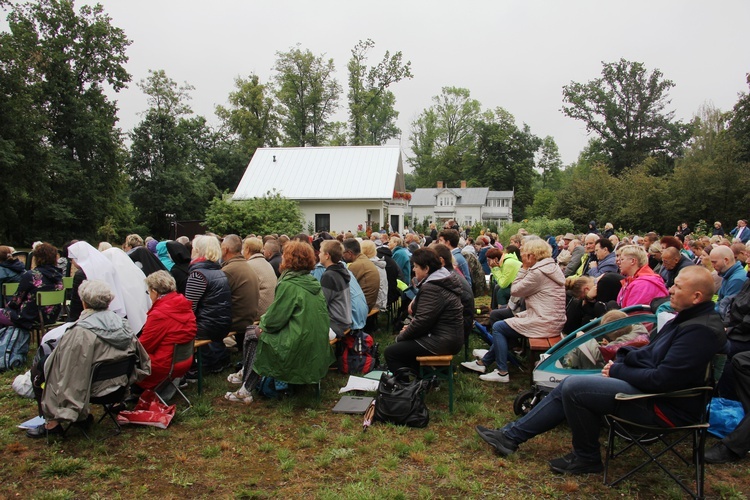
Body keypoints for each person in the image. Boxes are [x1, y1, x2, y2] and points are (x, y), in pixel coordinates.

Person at [475, 266, 727, 474]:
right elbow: (651, 353)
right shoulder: (687, 318)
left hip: (664, 406)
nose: (670, 289)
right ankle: (511, 436)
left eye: (678, 287)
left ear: (696, 296)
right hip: (652, 392)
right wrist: (621, 359)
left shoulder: (699, 331)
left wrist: (618, 371)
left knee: (575, 387)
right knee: (571, 385)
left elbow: (663, 380)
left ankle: (585, 457)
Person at [26, 280, 150, 438]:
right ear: (109, 301)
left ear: (84, 303)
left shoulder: (80, 332)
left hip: (93, 387)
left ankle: (52, 424)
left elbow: (64, 371)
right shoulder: (124, 325)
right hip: (118, 385)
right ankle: (84, 416)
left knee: (40, 369)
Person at [462, 238, 566, 383]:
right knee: (505, 323)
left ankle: (502, 371)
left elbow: (515, 290)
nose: (521, 256)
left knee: (499, 327)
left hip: (544, 321)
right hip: (550, 319)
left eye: (524, 253)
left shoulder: (538, 273)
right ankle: (484, 362)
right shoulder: (550, 268)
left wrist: (523, 269)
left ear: (532, 256)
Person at [250, 241, 334, 391]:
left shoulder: (289, 284)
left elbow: (274, 320)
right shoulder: (312, 280)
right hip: (315, 338)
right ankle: (247, 375)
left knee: (252, 333)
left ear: (289, 259)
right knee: (257, 331)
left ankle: (247, 386)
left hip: (297, 340)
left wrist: (261, 324)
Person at [384, 247, 463, 374]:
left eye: (416, 266)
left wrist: (401, 337)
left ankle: (404, 387)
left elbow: (422, 321)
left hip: (443, 340)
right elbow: (426, 317)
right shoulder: (441, 279)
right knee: (407, 346)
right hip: (449, 337)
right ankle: (429, 376)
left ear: (426, 269)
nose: (413, 269)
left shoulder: (432, 287)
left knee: (391, 352)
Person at [136, 271, 196, 390]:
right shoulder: (183, 304)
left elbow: (143, 347)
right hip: (185, 360)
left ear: (154, 291)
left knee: (129, 358)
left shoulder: (159, 314)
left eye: (148, 292)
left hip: (163, 366)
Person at [185, 235, 232, 373]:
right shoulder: (218, 271)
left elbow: (189, 307)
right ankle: (220, 358)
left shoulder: (198, 274)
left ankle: (208, 363)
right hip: (221, 323)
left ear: (198, 250)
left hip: (207, 326)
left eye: (193, 248)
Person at [0, 243, 63, 330]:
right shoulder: (59, 276)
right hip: (52, 317)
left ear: (37, 258)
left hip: (30, 318)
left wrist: (8, 306)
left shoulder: (31, 275)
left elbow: (16, 301)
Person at [220, 234, 260, 336]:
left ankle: (218, 352)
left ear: (225, 249)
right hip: (248, 319)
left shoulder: (228, 270)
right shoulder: (246, 265)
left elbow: (216, 300)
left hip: (236, 323)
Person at [318, 240, 352, 338]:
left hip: (336, 324)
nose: (319, 255)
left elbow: (322, 303)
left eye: (320, 252)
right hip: (345, 319)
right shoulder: (341, 270)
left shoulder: (329, 276)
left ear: (327, 255)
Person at [343, 238, 380, 311]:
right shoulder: (364, 260)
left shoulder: (357, 265)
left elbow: (343, 286)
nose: (342, 255)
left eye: (343, 253)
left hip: (362, 307)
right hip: (368, 303)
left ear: (350, 253)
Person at [242, 237, 276, 316]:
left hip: (258, 312)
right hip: (270, 309)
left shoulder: (248, 265)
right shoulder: (267, 263)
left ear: (247, 249)